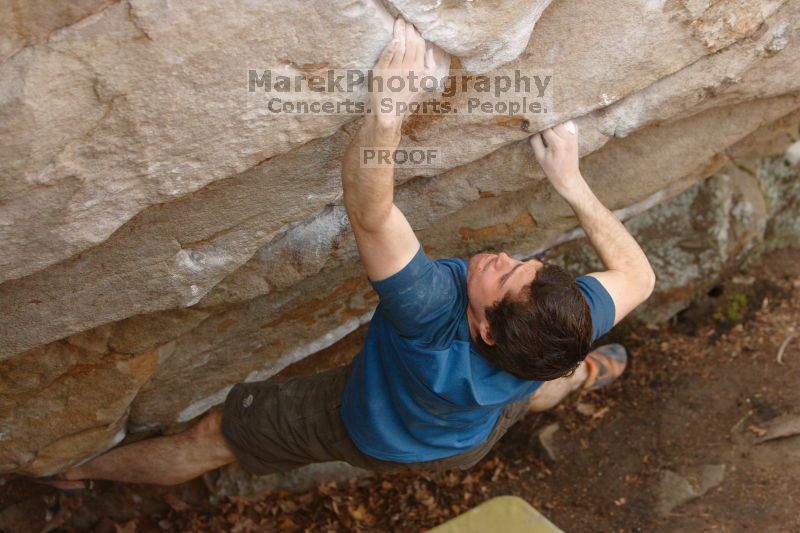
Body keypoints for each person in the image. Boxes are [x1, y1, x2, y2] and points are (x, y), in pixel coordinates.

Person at [42, 18, 654, 491]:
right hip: (466, 440)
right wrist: (571, 182)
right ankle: (578, 375)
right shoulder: (558, 323)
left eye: (503, 277)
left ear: (485, 327)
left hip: (371, 432)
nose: (503, 256)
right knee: (536, 383)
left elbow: (372, 212)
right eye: (526, 262)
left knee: (212, 438)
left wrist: (387, 110)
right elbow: (638, 276)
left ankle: (80, 471)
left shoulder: (432, 318)